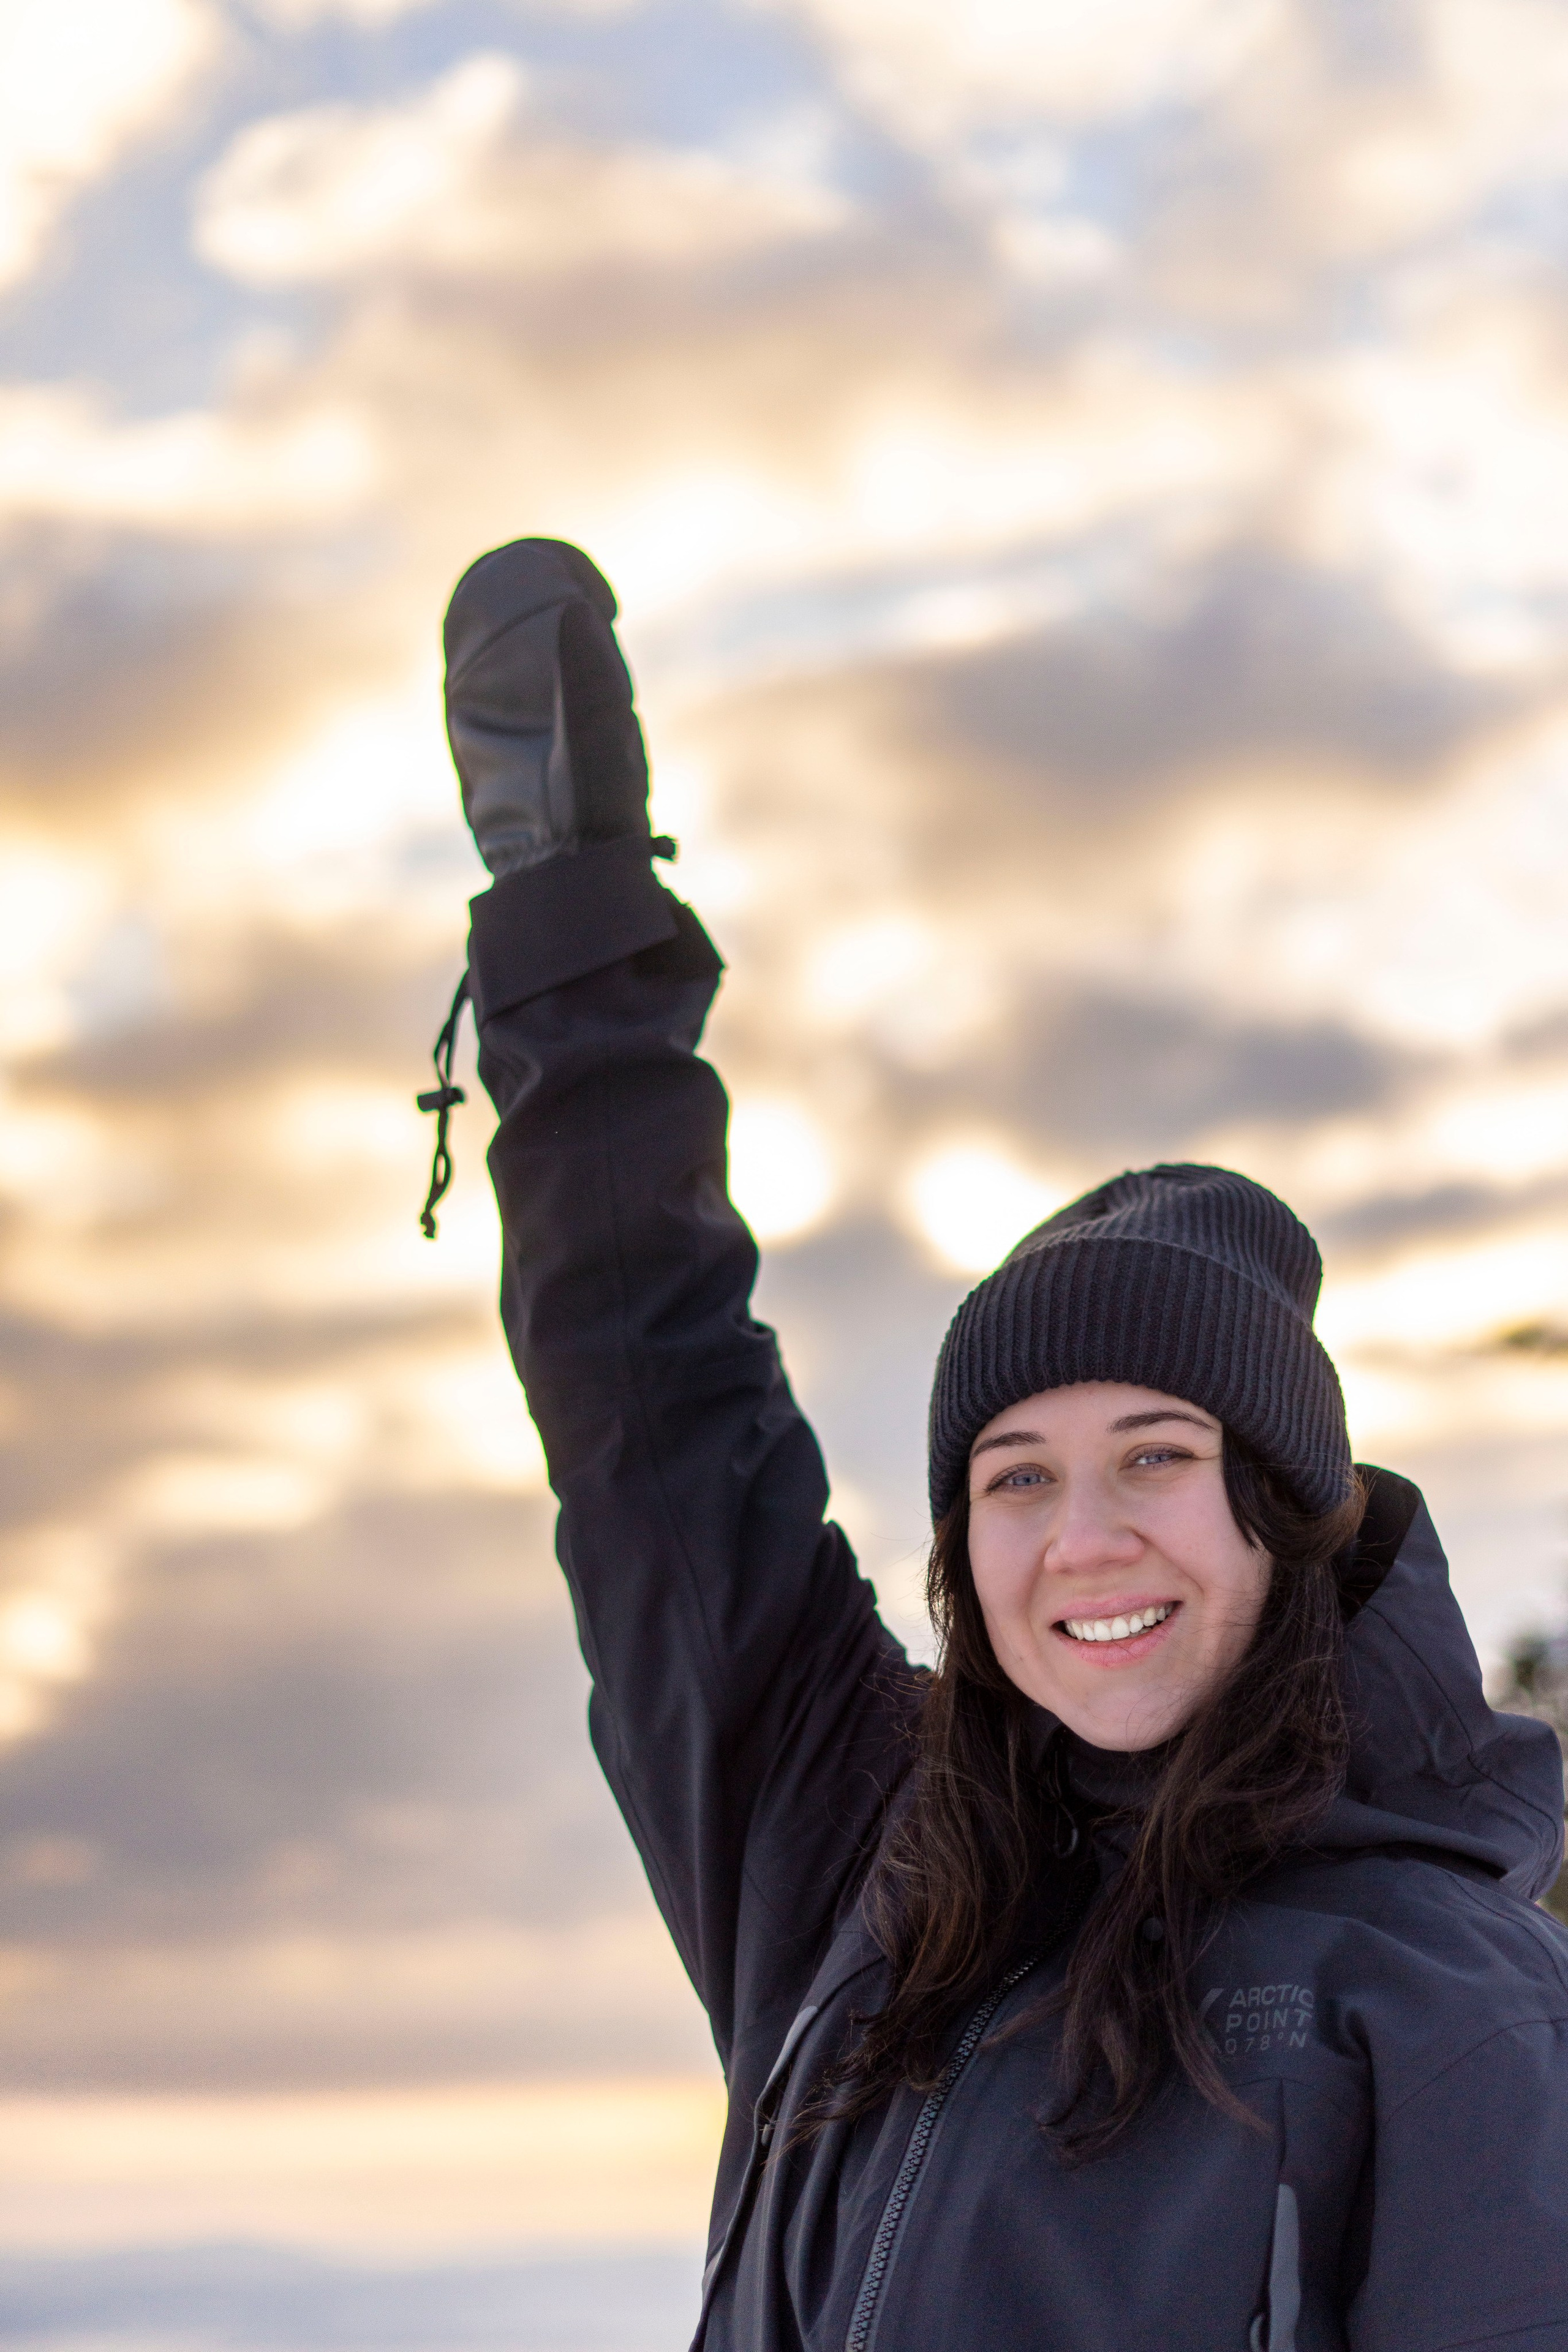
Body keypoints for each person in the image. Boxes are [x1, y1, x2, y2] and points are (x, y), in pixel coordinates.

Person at [424, 537, 1568, 2352]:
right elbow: (653, 1428)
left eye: (1158, 1456)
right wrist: (575, 940)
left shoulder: (1442, 2004)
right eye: (1015, 1477)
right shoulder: (867, 1875)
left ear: (1283, 1515)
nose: (1084, 1536)